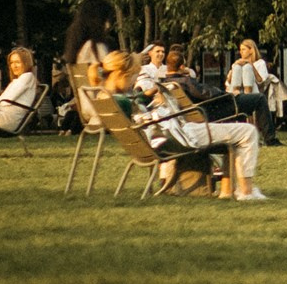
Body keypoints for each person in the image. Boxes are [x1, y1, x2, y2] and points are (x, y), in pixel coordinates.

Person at [100, 48, 265, 201]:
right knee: (248, 131)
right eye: (132, 77)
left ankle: (229, 191)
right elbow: (136, 110)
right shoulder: (121, 101)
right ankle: (246, 192)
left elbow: (135, 106)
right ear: (121, 74)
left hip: (167, 137)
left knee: (236, 133)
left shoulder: (110, 98)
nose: (134, 81)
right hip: (178, 137)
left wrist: (147, 96)